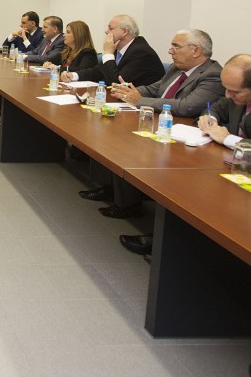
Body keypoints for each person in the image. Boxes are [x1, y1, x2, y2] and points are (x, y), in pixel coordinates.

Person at [81, 30, 225, 240]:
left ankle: (136, 209)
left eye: (176, 46)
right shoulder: (177, 69)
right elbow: (157, 88)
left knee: (129, 145)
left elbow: (187, 106)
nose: (170, 51)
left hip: (185, 135)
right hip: (160, 121)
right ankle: (116, 193)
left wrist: (138, 100)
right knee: (114, 137)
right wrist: (131, 91)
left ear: (196, 51)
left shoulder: (212, 74)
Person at [60, 14, 165, 87]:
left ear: (124, 31)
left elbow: (115, 82)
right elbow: (98, 71)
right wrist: (73, 75)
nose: (106, 32)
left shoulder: (141, 52)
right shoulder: (118, 48)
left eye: (110, 28)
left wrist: (108, 54)